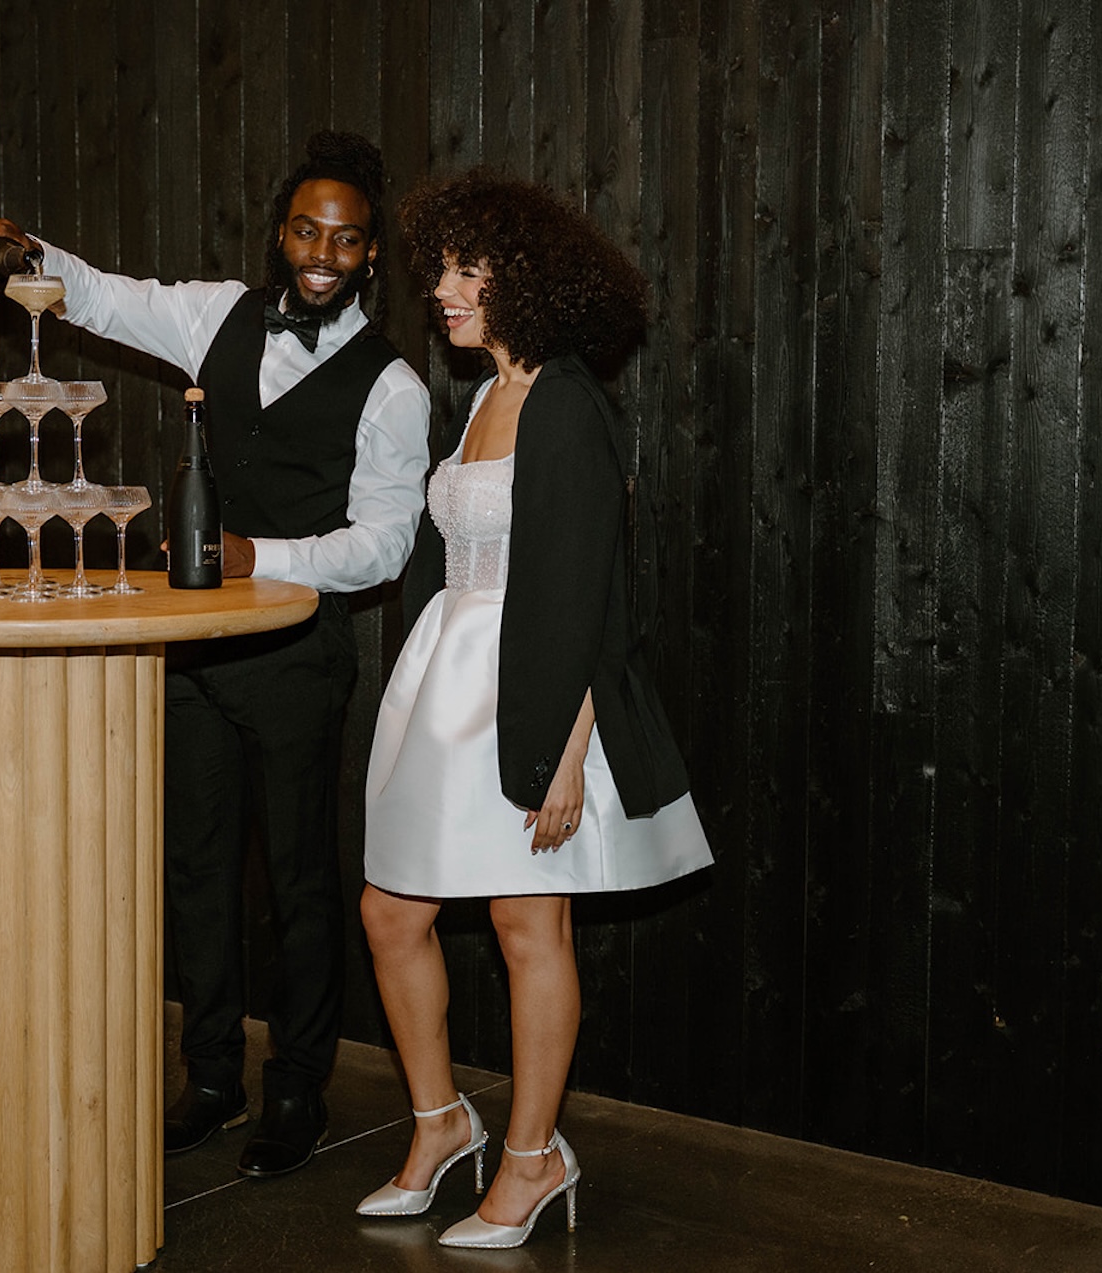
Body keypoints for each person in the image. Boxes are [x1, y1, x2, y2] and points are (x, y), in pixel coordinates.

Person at [0, 133, 430, 1178]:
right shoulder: (218, 313)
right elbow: (105, 297)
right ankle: (212, 1075)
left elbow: (389, 540)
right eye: (307, 228)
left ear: (368, 256)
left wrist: (272, 553)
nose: (322, 251)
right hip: (192, 651)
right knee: (197, 868)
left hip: (301, 655)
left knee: (302, 879)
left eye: (347, 239)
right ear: (281, 232)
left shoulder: (393, 388)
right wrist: (21, 250)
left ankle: (298, 1083)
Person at [356, 169, 713, 1248]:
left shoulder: (566, 401)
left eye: (470, 272)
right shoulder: (483, 397)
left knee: (527, 923)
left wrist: (565, 745)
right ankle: (439, 1124)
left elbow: (595, 587)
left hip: (534, 690)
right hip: (445, 683)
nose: (445, 293)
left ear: (532, 282)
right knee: (389, 912)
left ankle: (532, 1156)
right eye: (442, 273)